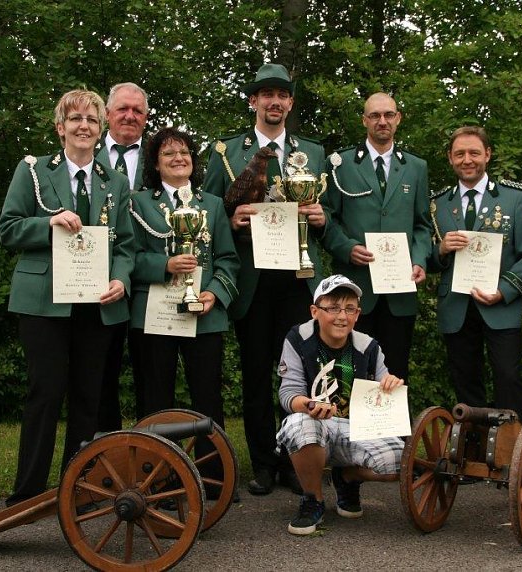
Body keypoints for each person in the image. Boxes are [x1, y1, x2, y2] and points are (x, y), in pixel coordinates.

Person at [0, 89, 134, 505]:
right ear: (61, 128)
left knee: (88, 398)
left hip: (97, 304)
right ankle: (28, 494)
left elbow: (126, 246)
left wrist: (121, 280)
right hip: (44, 303)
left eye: (91, 120)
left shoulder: (115, 181)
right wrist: (49, 223)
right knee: (46, 392)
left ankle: (78, 489)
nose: (83, 126)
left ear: (101, 128)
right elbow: (8, 228)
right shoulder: (34, 170)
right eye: (75, 119)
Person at [203, 63, 328, 496]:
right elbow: (208, 210)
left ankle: (296, 460)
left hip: (297, 278)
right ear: (253, 101)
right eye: (267, 94)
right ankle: (263, 463)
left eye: (282, 95)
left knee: (299, 374)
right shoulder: (226, 152)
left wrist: (321, 218)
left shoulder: (312, 153)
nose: (275, 102)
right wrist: (230, 219)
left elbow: (328, 212)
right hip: (252, 279)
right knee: (256, 373)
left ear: (290, 103)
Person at [276, 275, 405, 535]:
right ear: (315, 311)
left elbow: (382, 390)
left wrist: (390, 383)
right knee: (301, 425)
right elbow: (288, 393)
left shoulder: (369, 346)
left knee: (402, 462)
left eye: (349, 309)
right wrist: (310, 405)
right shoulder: (298, 338)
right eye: (333, 308)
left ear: (358, 314)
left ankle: (346, 477)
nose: (341, 316)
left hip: (355, 429)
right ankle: (313, 499)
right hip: (315, 423)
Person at [128, 127, 239, 429]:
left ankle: (211, 459)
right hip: (154, 313)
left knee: (208, 396)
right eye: (168, 153)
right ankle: (155, 458)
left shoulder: (213, 204)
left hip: (203, 313)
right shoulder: (138, 203)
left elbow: (228, 259)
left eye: (184, 152)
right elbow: (128, 258)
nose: (178, 158)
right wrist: (165, 264)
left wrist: (214, 294)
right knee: (154, 398)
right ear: (155, 163)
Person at [428, 126, 522, 420]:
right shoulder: (438, 204)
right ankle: (474, 445)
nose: (467, 160)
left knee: (508, 377)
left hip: (501, 304)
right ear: (450, 158)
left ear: (487, 155)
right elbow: (425, 258)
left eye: (474, 153)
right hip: (456, 306)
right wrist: (441, 249)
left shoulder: (515, 198)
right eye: (460, 154)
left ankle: (512, 445)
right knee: (465, 382)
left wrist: (504, 290)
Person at [322, 92, 431, 382]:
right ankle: (348, 416)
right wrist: (346, 248)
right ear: (364, 120)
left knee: (395, 371)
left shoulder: (416, 167)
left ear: (398, 119)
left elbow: (422, 225)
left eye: (388, 115)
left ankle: (394, 416)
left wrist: (419, 259)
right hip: (355, 288)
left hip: (400, 288)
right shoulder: (340, 164)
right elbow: (327, 218)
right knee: (351, 372)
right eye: (374, 115)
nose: (382, 121)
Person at [94, 82, 150, 430]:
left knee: (152, 371)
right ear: (107, 114)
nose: (130, 116)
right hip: (102, 277)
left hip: (152, 277)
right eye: (122, 109)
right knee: (100, 368)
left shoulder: (162, 156)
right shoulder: (84, 153)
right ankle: (104, 444)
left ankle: (152, 446)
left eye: (137, 110)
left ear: (146, 117)